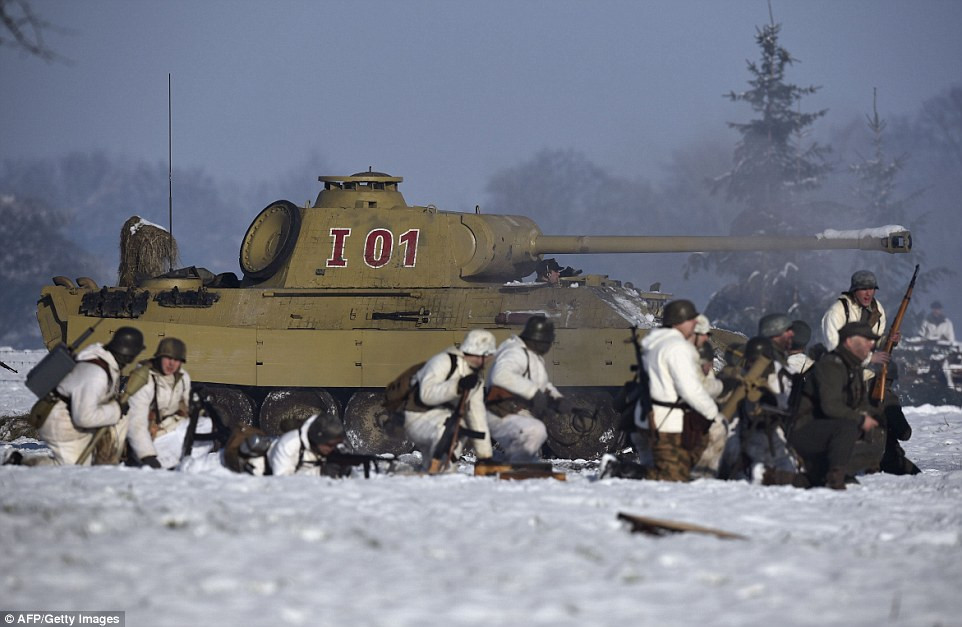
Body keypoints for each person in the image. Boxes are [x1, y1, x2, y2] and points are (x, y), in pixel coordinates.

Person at [603, 299, 724, 482]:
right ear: (679, 321)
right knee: (673, 477)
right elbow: (689, 389)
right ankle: (618, 470)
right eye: (691, 320)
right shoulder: (677, 347)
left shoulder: (656, 343)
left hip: (650, 414)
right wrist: (712, 413)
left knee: (669, 469)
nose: (694, 323)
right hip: (667, 419)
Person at [764, 321, 882, 490]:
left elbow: (859, 402)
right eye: (866, 340)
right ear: (849, 342)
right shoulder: (831, 365)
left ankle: (786, 478)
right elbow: (831, 406)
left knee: (814, 479)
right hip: (802, 429)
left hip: (822, 429)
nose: (871, 345)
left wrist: (871, 415)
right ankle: (836, 477)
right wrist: (860, 419)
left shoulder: (853, 368)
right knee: (847, 426)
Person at [34, 326, 145, 466]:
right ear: (129, 354)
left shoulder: (105, 364)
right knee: (75, 467)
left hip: (71, 414)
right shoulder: (96, 374)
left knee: (87, 462)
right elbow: (84, 418)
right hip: (60, 420)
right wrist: (116, 409)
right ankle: (20, 463)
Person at [404, 329, 496, 470]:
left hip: (444, 418)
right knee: (447, 430)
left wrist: (485, 456)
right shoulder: (443, 362)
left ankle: (441, 473)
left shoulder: (475, 376)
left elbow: (476, 415)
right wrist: (457, 387)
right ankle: (438, 470)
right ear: (481, 355)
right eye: (489, 355)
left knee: (460, 428)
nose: (490, 359)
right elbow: (426, 394)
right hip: (417, 416)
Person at [486, 316, 569, 462]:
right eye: (547, 342)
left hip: (515, 412)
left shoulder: (532, 357)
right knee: (534, 431)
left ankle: (515, 465)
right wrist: (533, 392)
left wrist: (557, 398)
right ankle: (515, 467)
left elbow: (542, 385)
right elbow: (500, 375)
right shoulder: (515, 352)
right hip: (499, 411)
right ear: (538, 339)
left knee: (533, 439)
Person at [124, 337, 198, 469]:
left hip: (172, 428)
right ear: (159, 357)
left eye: (176, 360)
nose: (172, 364)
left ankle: (185, 461)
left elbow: (189, 407)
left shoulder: (182, 377)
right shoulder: (145, 379)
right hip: (150, 434)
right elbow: (136, 422)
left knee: (206, 424)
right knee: (158, 464)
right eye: (168, 358)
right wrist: (147, 456)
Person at [821, 270, 897, 370]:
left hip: (862, 369)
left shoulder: (877, 310)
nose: (868, 293)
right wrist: (869, 359)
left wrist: (888, 340)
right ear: (854, 290)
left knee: (890, 369)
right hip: (838, 369)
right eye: (864, 289)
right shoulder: (837, 312)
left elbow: (875, 340)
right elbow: (833, 347)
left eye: (871, 288)